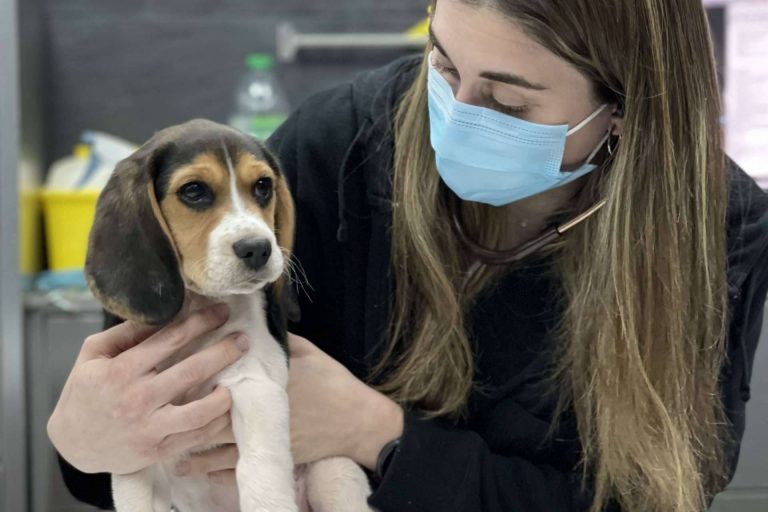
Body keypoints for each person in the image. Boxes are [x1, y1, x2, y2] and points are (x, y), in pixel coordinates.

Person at [48, 1, 768, 511]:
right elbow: (144, 416)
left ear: (625, 109)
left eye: (510, 105)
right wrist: (83, 446)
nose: (455, 110)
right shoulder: (340, 143)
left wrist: (378, 436)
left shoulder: (718, 229)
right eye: (443, 63)